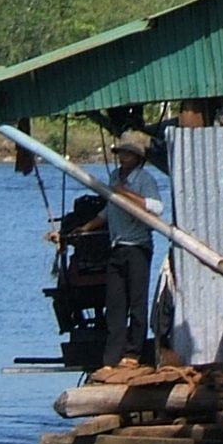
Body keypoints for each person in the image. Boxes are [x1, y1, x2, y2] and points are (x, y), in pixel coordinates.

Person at [83, 130, 168, 368]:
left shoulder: (144, 179)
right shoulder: (114, 176)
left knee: (137, 301)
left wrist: (126, 194)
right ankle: (111, 357)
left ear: (137, 157)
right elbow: (109, 210)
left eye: (128, 153)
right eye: (122, 152)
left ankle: (133, 353)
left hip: (138, 247)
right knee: (115, 304)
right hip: (117, 245)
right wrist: (86, 228)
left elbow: (157, 207)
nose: (123, 157)